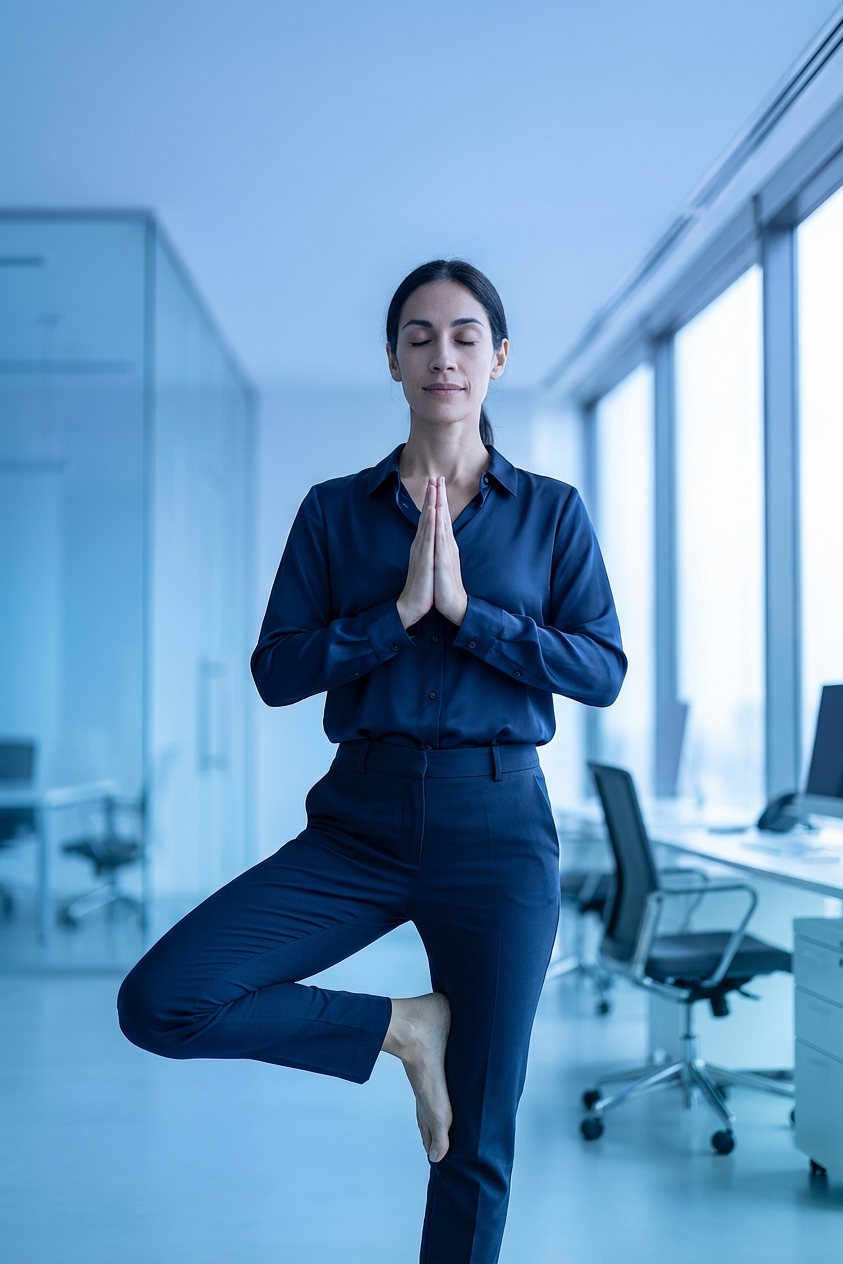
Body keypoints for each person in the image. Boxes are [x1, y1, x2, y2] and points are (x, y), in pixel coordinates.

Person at [117, 259, 626, 1263]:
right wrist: (395, 615)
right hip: (360, 823)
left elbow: (602, 667)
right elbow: (277, 670)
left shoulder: (552, 513)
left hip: (499, 829)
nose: (445, 353)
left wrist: (472, 617)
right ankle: (402, 1026)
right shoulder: (333, 512)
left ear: (499, 358)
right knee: (162, 999)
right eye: (421, 335)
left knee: (475, 1138)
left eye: (467, 334)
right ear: (393, 359)